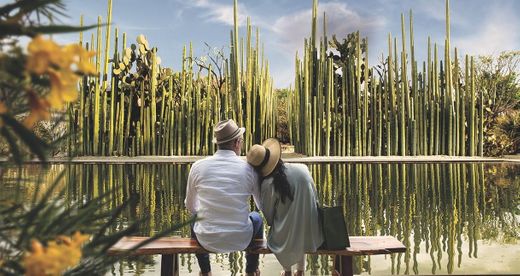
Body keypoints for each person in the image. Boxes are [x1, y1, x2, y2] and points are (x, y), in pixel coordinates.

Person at [185, 119, 263, 276]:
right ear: (236, 143)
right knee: (257, 217)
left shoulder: (198, 167)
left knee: (194, 218)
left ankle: (205, 271)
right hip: (241, 238)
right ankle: (251, 270)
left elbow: (190, 207)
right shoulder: (249, 169)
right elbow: (260, 205)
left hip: (207, 238)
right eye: (241, 141)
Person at [247, 138, 323, 276]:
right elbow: (315, 199)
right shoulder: (303, 168)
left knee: (283, 229)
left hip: (287, 237)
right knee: (299, 224)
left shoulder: (268, 184)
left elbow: (269, 218)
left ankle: (288, 271)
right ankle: (300, 271)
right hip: (313, 233)